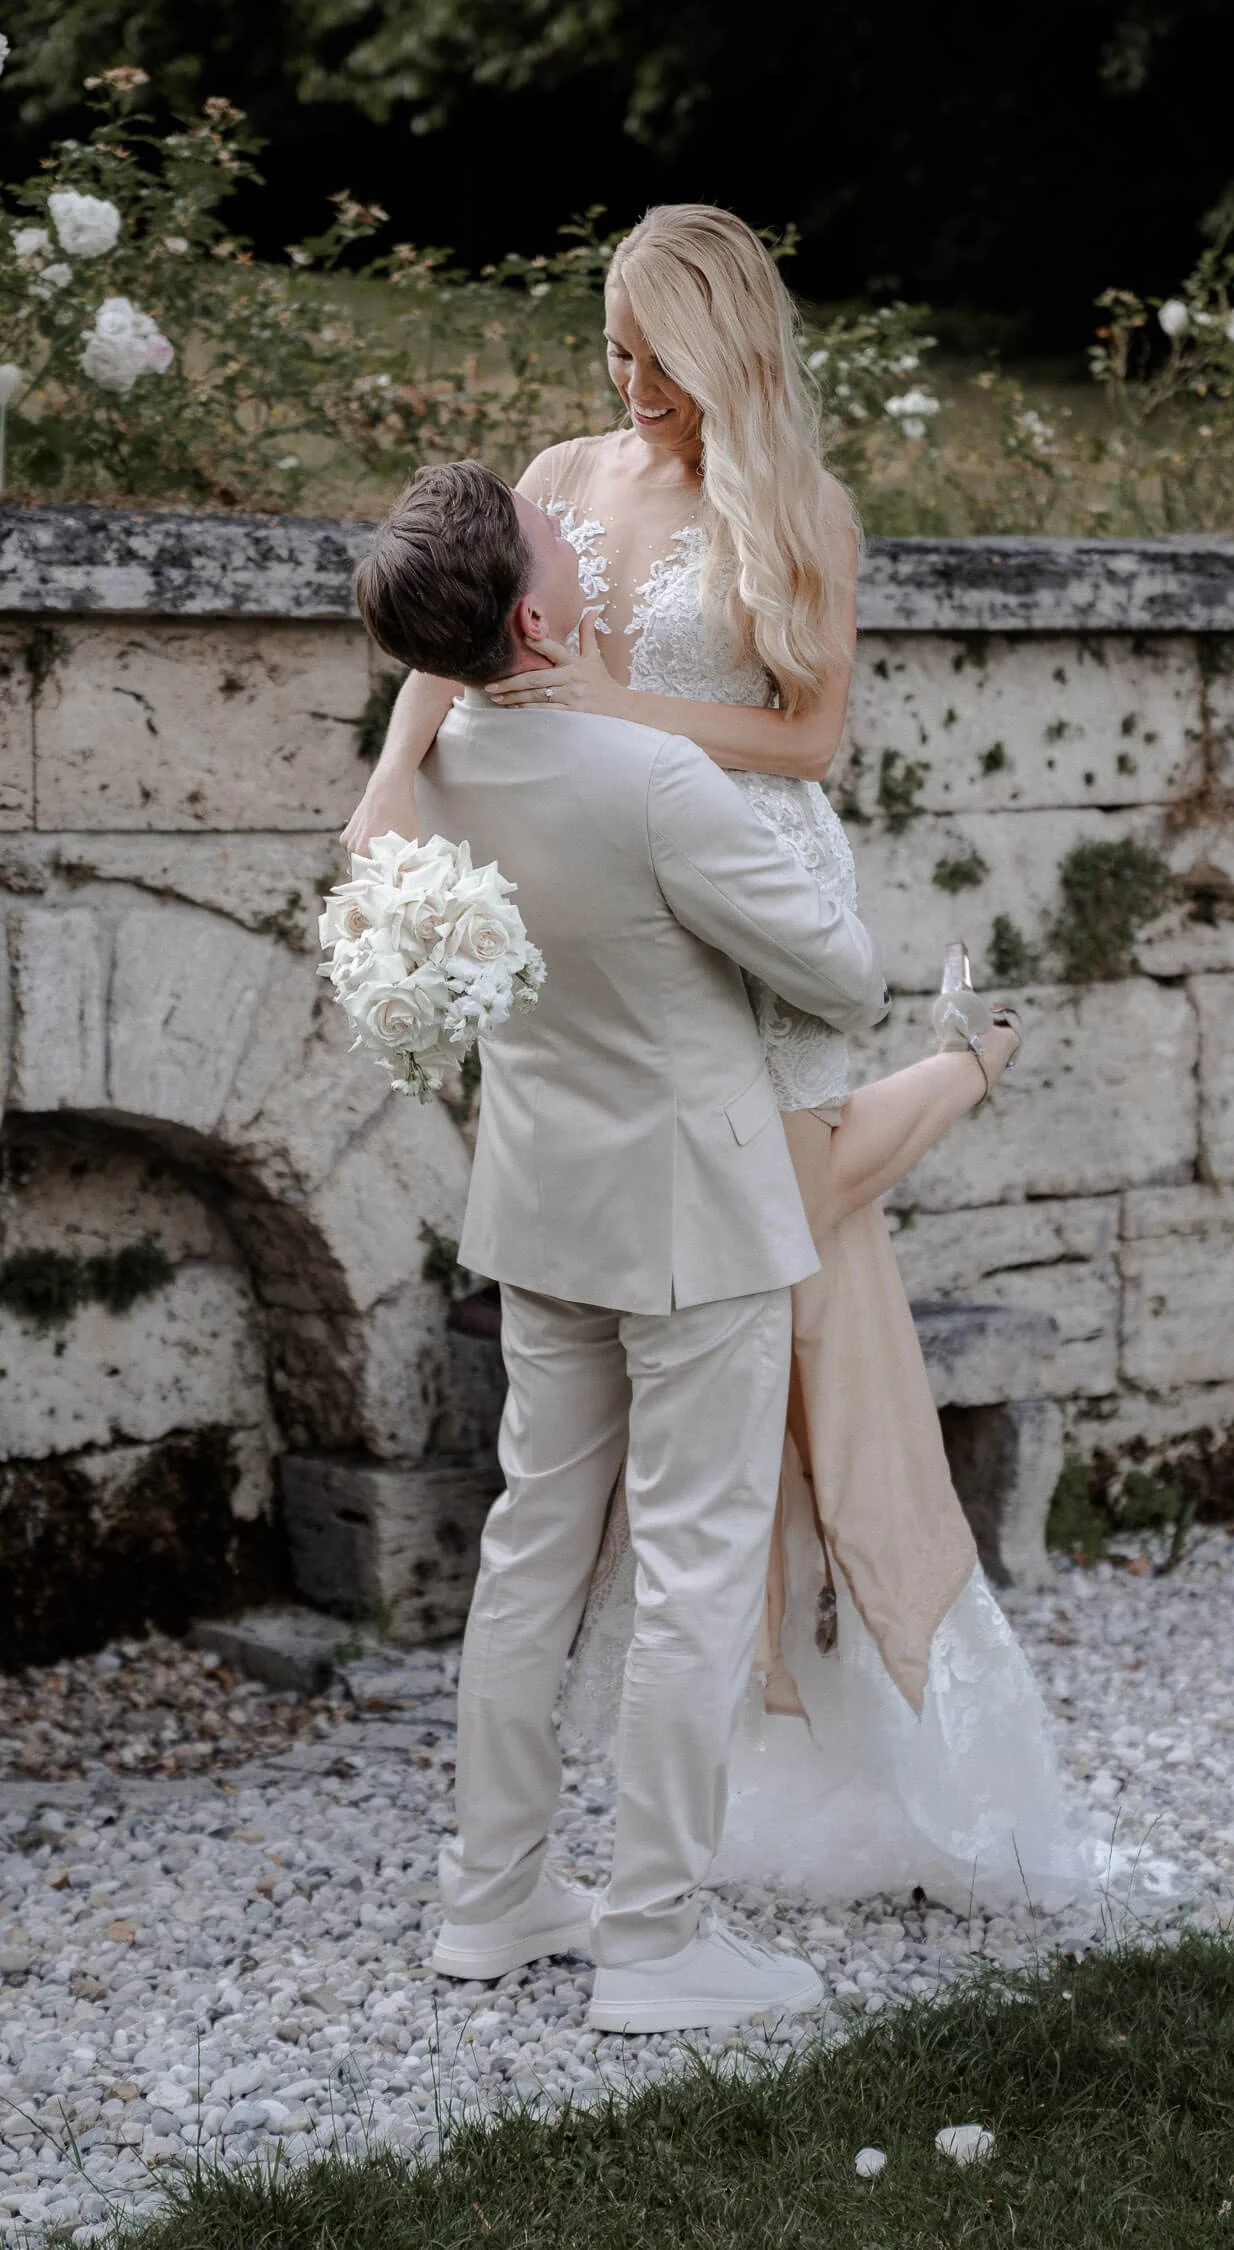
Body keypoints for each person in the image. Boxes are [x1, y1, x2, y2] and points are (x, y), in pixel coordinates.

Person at [344, 206, 1094, 1915]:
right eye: (613, 353)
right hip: (605, 896)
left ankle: (810, 1715)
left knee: (792, 1216)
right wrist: (396, 786)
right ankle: (763, 1740)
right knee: (754, 1269)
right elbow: (457, 650)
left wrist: (612, 716)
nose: (629, 390)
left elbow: (808, 734)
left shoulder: (798, 508)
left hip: (746, 878)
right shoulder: (560, 473)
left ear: (729, 346)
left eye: (658, 360)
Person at [354, 456, 891, 2032]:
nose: (581, 540)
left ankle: (493, 1892)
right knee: (696, 1561)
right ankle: (655, 1936)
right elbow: (847, 976)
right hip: (697, 1214)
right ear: (533, 610)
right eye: (555, 540)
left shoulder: (442, 765)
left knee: (534, 1544)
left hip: (542, 1201)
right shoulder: (654, 783)